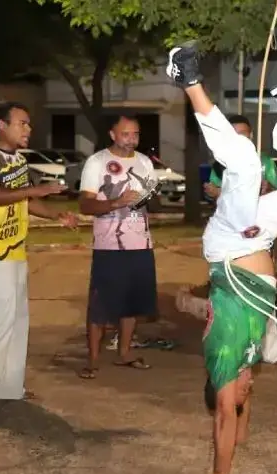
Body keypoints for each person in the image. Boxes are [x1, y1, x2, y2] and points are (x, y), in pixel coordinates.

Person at [165, 41, 277, 474]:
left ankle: (187, 79)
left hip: (231, 246)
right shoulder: (249, 355)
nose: (247, 390)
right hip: (257, 237)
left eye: (239, 394)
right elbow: (236, 412)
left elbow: (225, 416)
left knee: (247, 162)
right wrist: (242, 412)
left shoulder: (226, 358)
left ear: (224, 388)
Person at [0, 101, 78, 409]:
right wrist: (35, 191)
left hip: (14, 247)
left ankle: (9, 386)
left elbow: (25, 200)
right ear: (1, 125)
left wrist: (55, 216)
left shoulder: (18, 160)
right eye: (22, 123)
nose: (28, 129)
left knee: (17, 319)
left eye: (28, 124)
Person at [76, 114, 159, 379]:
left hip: (141, 243)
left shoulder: (144, 162)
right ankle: (92, 360)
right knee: (101, 304)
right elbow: (85, 205)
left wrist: (151, 198)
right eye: (125, 134)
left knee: (132, 303)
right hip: (109, 245)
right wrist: (116, 202)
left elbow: (153, 201)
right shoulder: (97, 162)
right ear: (112, 134)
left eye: (135, 134)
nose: (131, 140)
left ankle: (124, 353)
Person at [202, 113, 277, 365]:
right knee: (229, 291)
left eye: (243, 133)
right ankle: (233, 344)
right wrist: (221, 193)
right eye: (234, 133)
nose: (239, 138)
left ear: (251, 135)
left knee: (263, 290)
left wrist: (267, 190)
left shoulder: (264, 162)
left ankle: (271, 351)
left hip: (258, 237)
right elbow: (214, 195)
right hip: (230, 240)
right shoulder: (221, 163)